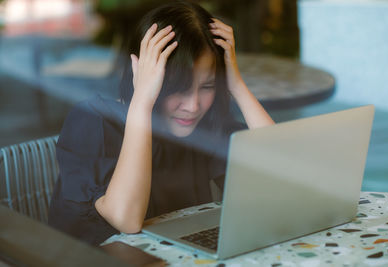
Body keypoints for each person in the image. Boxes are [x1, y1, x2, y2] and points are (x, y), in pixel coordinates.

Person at [48, 0, 275, 246]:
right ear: (145, 76)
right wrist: (142, 100)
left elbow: (282, 180)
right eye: (179, 88)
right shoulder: (93, 120)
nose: (193, 105)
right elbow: (126, 219)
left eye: (208, 86)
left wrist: (236, 85)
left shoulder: (204, 125)